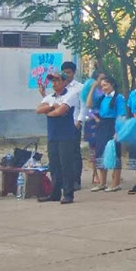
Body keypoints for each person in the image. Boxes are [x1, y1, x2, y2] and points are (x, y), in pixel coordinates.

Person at [35, 72, 79, 204]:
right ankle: (54, 193)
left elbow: (60, 111)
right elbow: (38, 110)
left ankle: (68, 194)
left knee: (66, 165)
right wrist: (51, 107)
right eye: (53, 81)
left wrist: (49, 112)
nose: (54, 83)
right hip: (53, 135)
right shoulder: (49, 97)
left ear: (64, 82)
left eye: (57, 80)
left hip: (66, 135)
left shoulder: (70, 95)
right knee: (54, 166)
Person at [86, 74, 125, 192]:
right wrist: (93, 87)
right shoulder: (102, 98)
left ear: (112, 85)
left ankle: (115, 183)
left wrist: (118, 131)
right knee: (100, 153)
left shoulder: (118, 98)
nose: (103, 88)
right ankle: (102, 183)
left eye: (106, 85)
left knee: (114, 152)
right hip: (102, 126)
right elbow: (89, 105)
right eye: (102, 86)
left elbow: (121, 115)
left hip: (113, 125)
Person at [60, 61, 84, 190]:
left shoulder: (80, 87)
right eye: (64, 72)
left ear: (74, 73)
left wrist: (79, 121)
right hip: (61, 123)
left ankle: (76, 180)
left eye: (68, 72)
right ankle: (64, 179)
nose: (66, 75)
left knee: (74, 152)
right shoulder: (60, 86)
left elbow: (83, 106)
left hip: (74, 122)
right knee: (62, 152)